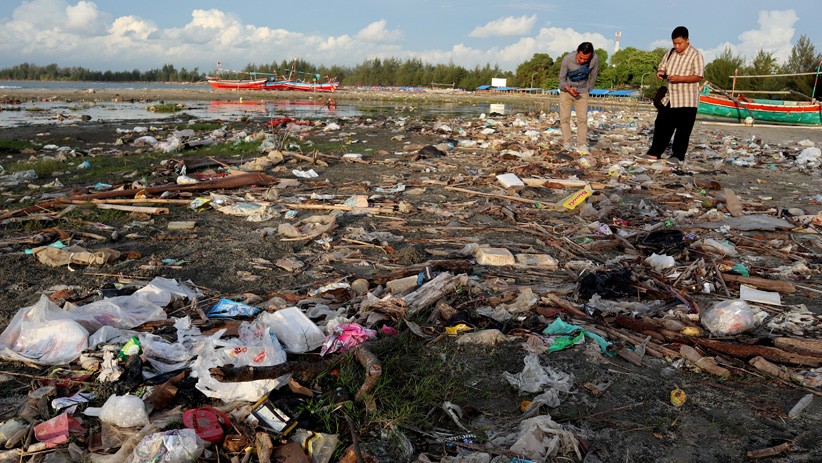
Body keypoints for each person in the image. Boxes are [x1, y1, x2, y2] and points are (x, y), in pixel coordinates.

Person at [646, 26, 704, 164]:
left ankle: (677, 156)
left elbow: (698, 76)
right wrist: (660, 73)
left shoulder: (696, 55)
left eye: (680, 43)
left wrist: (680, 78)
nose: (677, 46)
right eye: (674, 43)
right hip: (670, 96)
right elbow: (662, 66)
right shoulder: (670, 53)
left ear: (687, 40)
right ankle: (654, 153)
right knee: (661, 124)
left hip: (687, 98)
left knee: (683, 130)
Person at [559, 42, 599, 155]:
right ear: (577, 51)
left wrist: (587, 90)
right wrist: (568, 88)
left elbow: (593, 76)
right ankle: (567, 142)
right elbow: (561, 79)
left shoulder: (594, 59)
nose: (582, 61)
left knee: (582, 119)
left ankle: (582, 144)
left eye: (585, 59)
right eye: (580, 58)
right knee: (565, 118)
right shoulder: (567, 59)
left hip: (582, 92)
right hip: (566, 91)